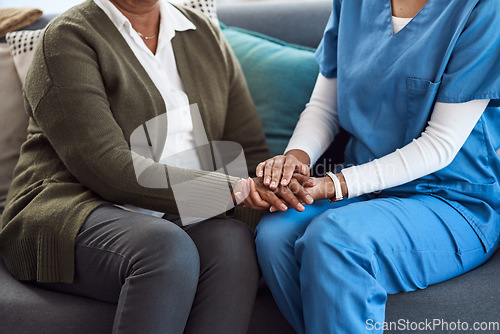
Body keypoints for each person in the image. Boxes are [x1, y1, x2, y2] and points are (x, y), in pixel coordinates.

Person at [0, 0, 312, 333]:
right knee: (165, 250)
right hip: (69, 209)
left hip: (175, 212)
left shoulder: (201, 32)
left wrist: (272, 191)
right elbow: (108, 168)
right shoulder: (66, 39)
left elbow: (247, 151)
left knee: (231, 244)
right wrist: (234, 190)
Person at [249, 0, 500, 333]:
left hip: (450, 198)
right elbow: (325, 106)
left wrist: (333, 184)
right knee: (274, 233)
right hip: (366, 189)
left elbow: (440, 145)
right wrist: (294, 161)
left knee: (336, 240)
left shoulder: (483, 9)